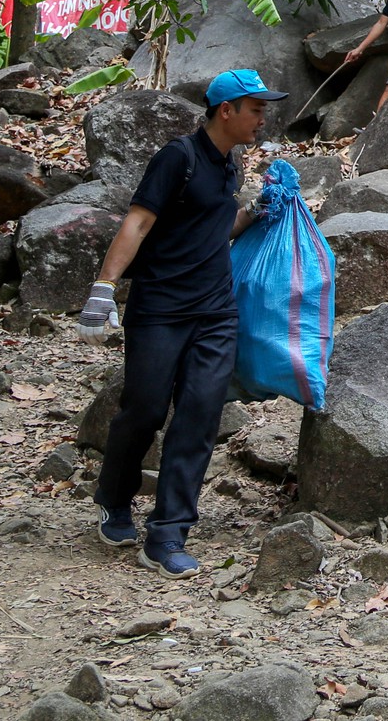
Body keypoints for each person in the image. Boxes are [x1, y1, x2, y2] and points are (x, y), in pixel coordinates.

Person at [81, 68, 285, 579]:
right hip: (160, 308)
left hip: (216, 311)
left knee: (198, 416)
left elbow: (217, 230)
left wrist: (257, 212)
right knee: (145, 408)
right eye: (256, 108)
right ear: (226, 111)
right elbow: (139, 221)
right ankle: (114, 495)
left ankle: (168, 532)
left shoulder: (230, 165)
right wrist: (104, 288)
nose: (263, 117)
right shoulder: (179, 158)